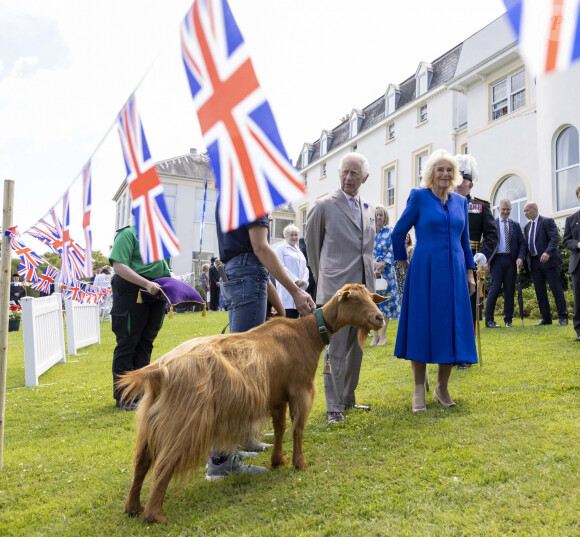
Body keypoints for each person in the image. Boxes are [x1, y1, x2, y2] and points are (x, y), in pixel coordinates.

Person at [206, 206, 316, 479]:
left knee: (243, 368)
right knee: (241, 373)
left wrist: (279, 307)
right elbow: (260, 249)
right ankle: (220, 460)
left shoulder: (232, 189)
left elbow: (252, 259)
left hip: (239, 276)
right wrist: (295, 292)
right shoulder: (251, 191)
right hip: (247, 279)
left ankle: (240, 440)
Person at [392, 149, 476, 413]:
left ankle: (442, 387)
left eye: (449, 170)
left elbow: (464, 242)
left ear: (455, 175)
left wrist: (471, 272)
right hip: (425, 272)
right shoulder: (419, 197)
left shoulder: (460, 202)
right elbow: (398, 233)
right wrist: (406, 264)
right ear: (430, 173)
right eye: (440, 169)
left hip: (455, 272)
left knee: (450, 327)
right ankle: (419, 389)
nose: (445, 174)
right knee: (422, 327)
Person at [305, 152, 376, 424]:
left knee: (356, 348)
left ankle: (348, 398)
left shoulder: (368, 209)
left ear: (364, 178)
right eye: (344, 172)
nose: (348, 178)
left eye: (354, 174)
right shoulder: (323, 206)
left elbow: (365, 251)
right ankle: (333, 407)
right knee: (333, 350)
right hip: (335, 292)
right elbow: (313, 249)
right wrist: (324, 279)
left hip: (364, 293)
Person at [109, 225, 170, 411]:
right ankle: (125, 397)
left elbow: (166, 267)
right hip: (132, 290)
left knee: (146, 343)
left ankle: (141, 395)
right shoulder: (128, 234)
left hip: (156, 292)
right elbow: (119, 265)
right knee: (128, 343)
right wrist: (145, 283)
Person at [453, 153, 498, 368]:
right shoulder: (443, 204)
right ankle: (448, 351)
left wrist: (485, 254)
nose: (460, 184)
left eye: (464, 180)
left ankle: (464, 355)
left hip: (470, 261)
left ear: (471, 184)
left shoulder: (481, 206)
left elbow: (492, 235)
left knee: (468, 308)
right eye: (457, 179)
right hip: (447, 260)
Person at [523, 202, 568, 326]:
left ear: (535, 209)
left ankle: (563, 317)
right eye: (524, 211)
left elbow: (554, 238)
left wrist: (548, 252)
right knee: (540, 291)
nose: (525, 213)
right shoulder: (527, 227)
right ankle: (546, 318)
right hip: (534, 262)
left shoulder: (547, 222)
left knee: (556, 289)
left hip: (549, 262)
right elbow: (526, 246)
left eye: (527, 211)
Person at [483, 199, 526, 328]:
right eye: (503, 209)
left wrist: (520, 257)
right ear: (498, 209)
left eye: (508, 209)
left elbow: (522, 243)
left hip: (511, 261)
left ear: (511, 209)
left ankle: (508, 320)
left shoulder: (515, 225)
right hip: (496, 260)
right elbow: (486, 243)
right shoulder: (491, 224)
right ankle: (489, 320)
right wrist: (486, 260)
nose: (506, 212)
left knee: (509, 290)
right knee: (495, 289)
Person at [371, 204, 400, 346]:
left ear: (385, 216)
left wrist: (383, 264)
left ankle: (383, 336)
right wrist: (373, 265)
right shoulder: (368, 232)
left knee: (385, 303)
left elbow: (393, 249)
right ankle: (374, 336)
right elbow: (363, 250)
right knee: (371, 303)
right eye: (376, 215)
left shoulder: (390, 231)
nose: (378, 217)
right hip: (370, 271)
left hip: (386, 272)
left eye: (381, 215)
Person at [273, 224, 309, 318]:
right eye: (291, 235)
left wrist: (304, 281)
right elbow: (280, 267)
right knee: (288, 319)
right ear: (285, 236)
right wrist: (295, 280)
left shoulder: (299, 251)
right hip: (287, 290)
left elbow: (305, 268)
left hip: (300, 290)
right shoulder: (280, 249)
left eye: (296, 235)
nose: (294, 237)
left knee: (299, 322)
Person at [563, 186, 580, 341]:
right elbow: (566, 240)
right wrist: (577, 244)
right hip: (578, 265)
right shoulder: (571, 219)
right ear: (578, 198)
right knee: (578, 299)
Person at [394, 234, 413, 299]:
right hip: (397, 268)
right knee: (398, 285)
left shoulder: (410, 248)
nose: (407, 238)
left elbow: (411, 259)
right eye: (405, 237)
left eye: (408, 237)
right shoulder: (398, 246)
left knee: (404, 285)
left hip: (405, 267)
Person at [299, 237, 317, 302]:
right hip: (307, 270)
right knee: (306, 291)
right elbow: (303, 251)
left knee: (314, 293)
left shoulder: (316, 239)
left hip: (316, 270)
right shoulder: (302, 240)